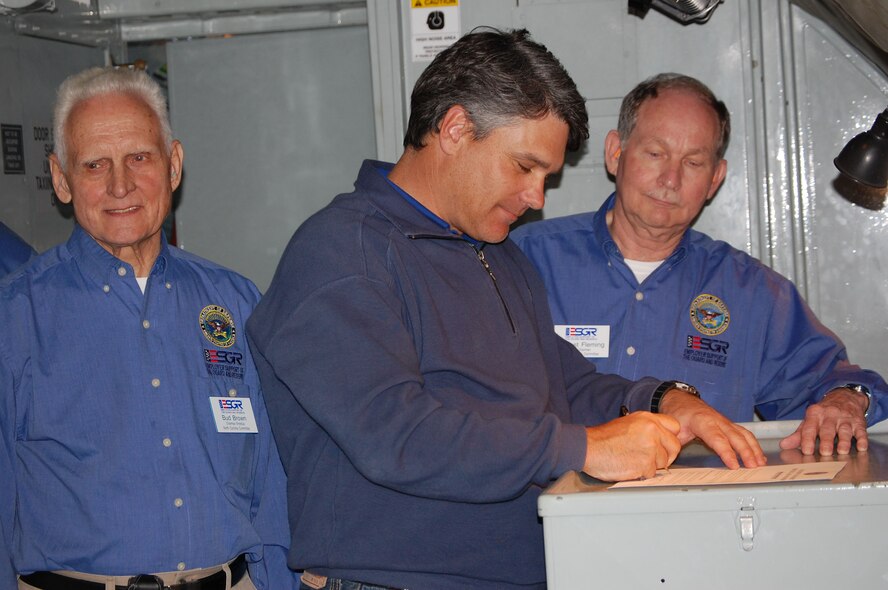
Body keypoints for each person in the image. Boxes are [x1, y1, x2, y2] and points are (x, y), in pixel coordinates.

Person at [247, 30, 765, 590]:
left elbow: (564, 380)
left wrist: (663, 401)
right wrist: (586, 447)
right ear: (455, 129)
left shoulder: (497, 254)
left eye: (547, 176)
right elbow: (398, 436)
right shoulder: (343, 252)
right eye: (524, 167)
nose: (538, 197)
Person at [0, 67, 296, 590]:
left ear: (173, 165)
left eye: (139, 157)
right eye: (95, 164)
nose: (121, 184)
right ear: (62, 178)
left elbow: (271, 473)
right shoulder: (17, 317)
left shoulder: (235, 301)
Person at [512, 72, 887, 457]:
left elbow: (831, 380)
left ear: (715, 180)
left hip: (700, 508)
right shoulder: (525, 260)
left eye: (693, 162)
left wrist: (845, 400)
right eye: (655, 153)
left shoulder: (752, 293)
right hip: (555, 507)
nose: (670, 179)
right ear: (615, 152)